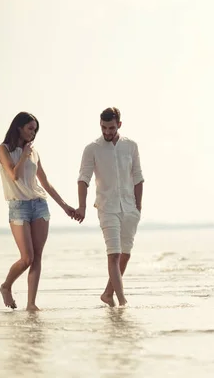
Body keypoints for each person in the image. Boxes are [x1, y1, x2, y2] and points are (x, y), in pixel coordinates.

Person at [0, 112, 76, 311]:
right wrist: (23, 155)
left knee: (37, 257)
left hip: (39, 205)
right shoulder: (3, 149)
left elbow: (45, 182)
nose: (33, 133)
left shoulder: (34, 152)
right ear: (19, 128)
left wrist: (65, 206)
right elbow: (14, 175)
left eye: (35, 130)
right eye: (30, 128)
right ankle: (6, 286)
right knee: (27, 258)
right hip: (18, 207)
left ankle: (31, 304)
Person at [75, 107, 144, 307]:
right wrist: (82, 207)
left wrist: (138, 207)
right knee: (113, 254)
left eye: (111, 128)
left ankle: (107, 294)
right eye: (104, 127)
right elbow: (83, 179)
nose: (107, 132)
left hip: (130, 208)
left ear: (119, 125)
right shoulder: (92, 149)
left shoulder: (131, 146)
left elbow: (138, 177)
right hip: (107, 207)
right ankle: (123, 302)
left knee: (125, 255)